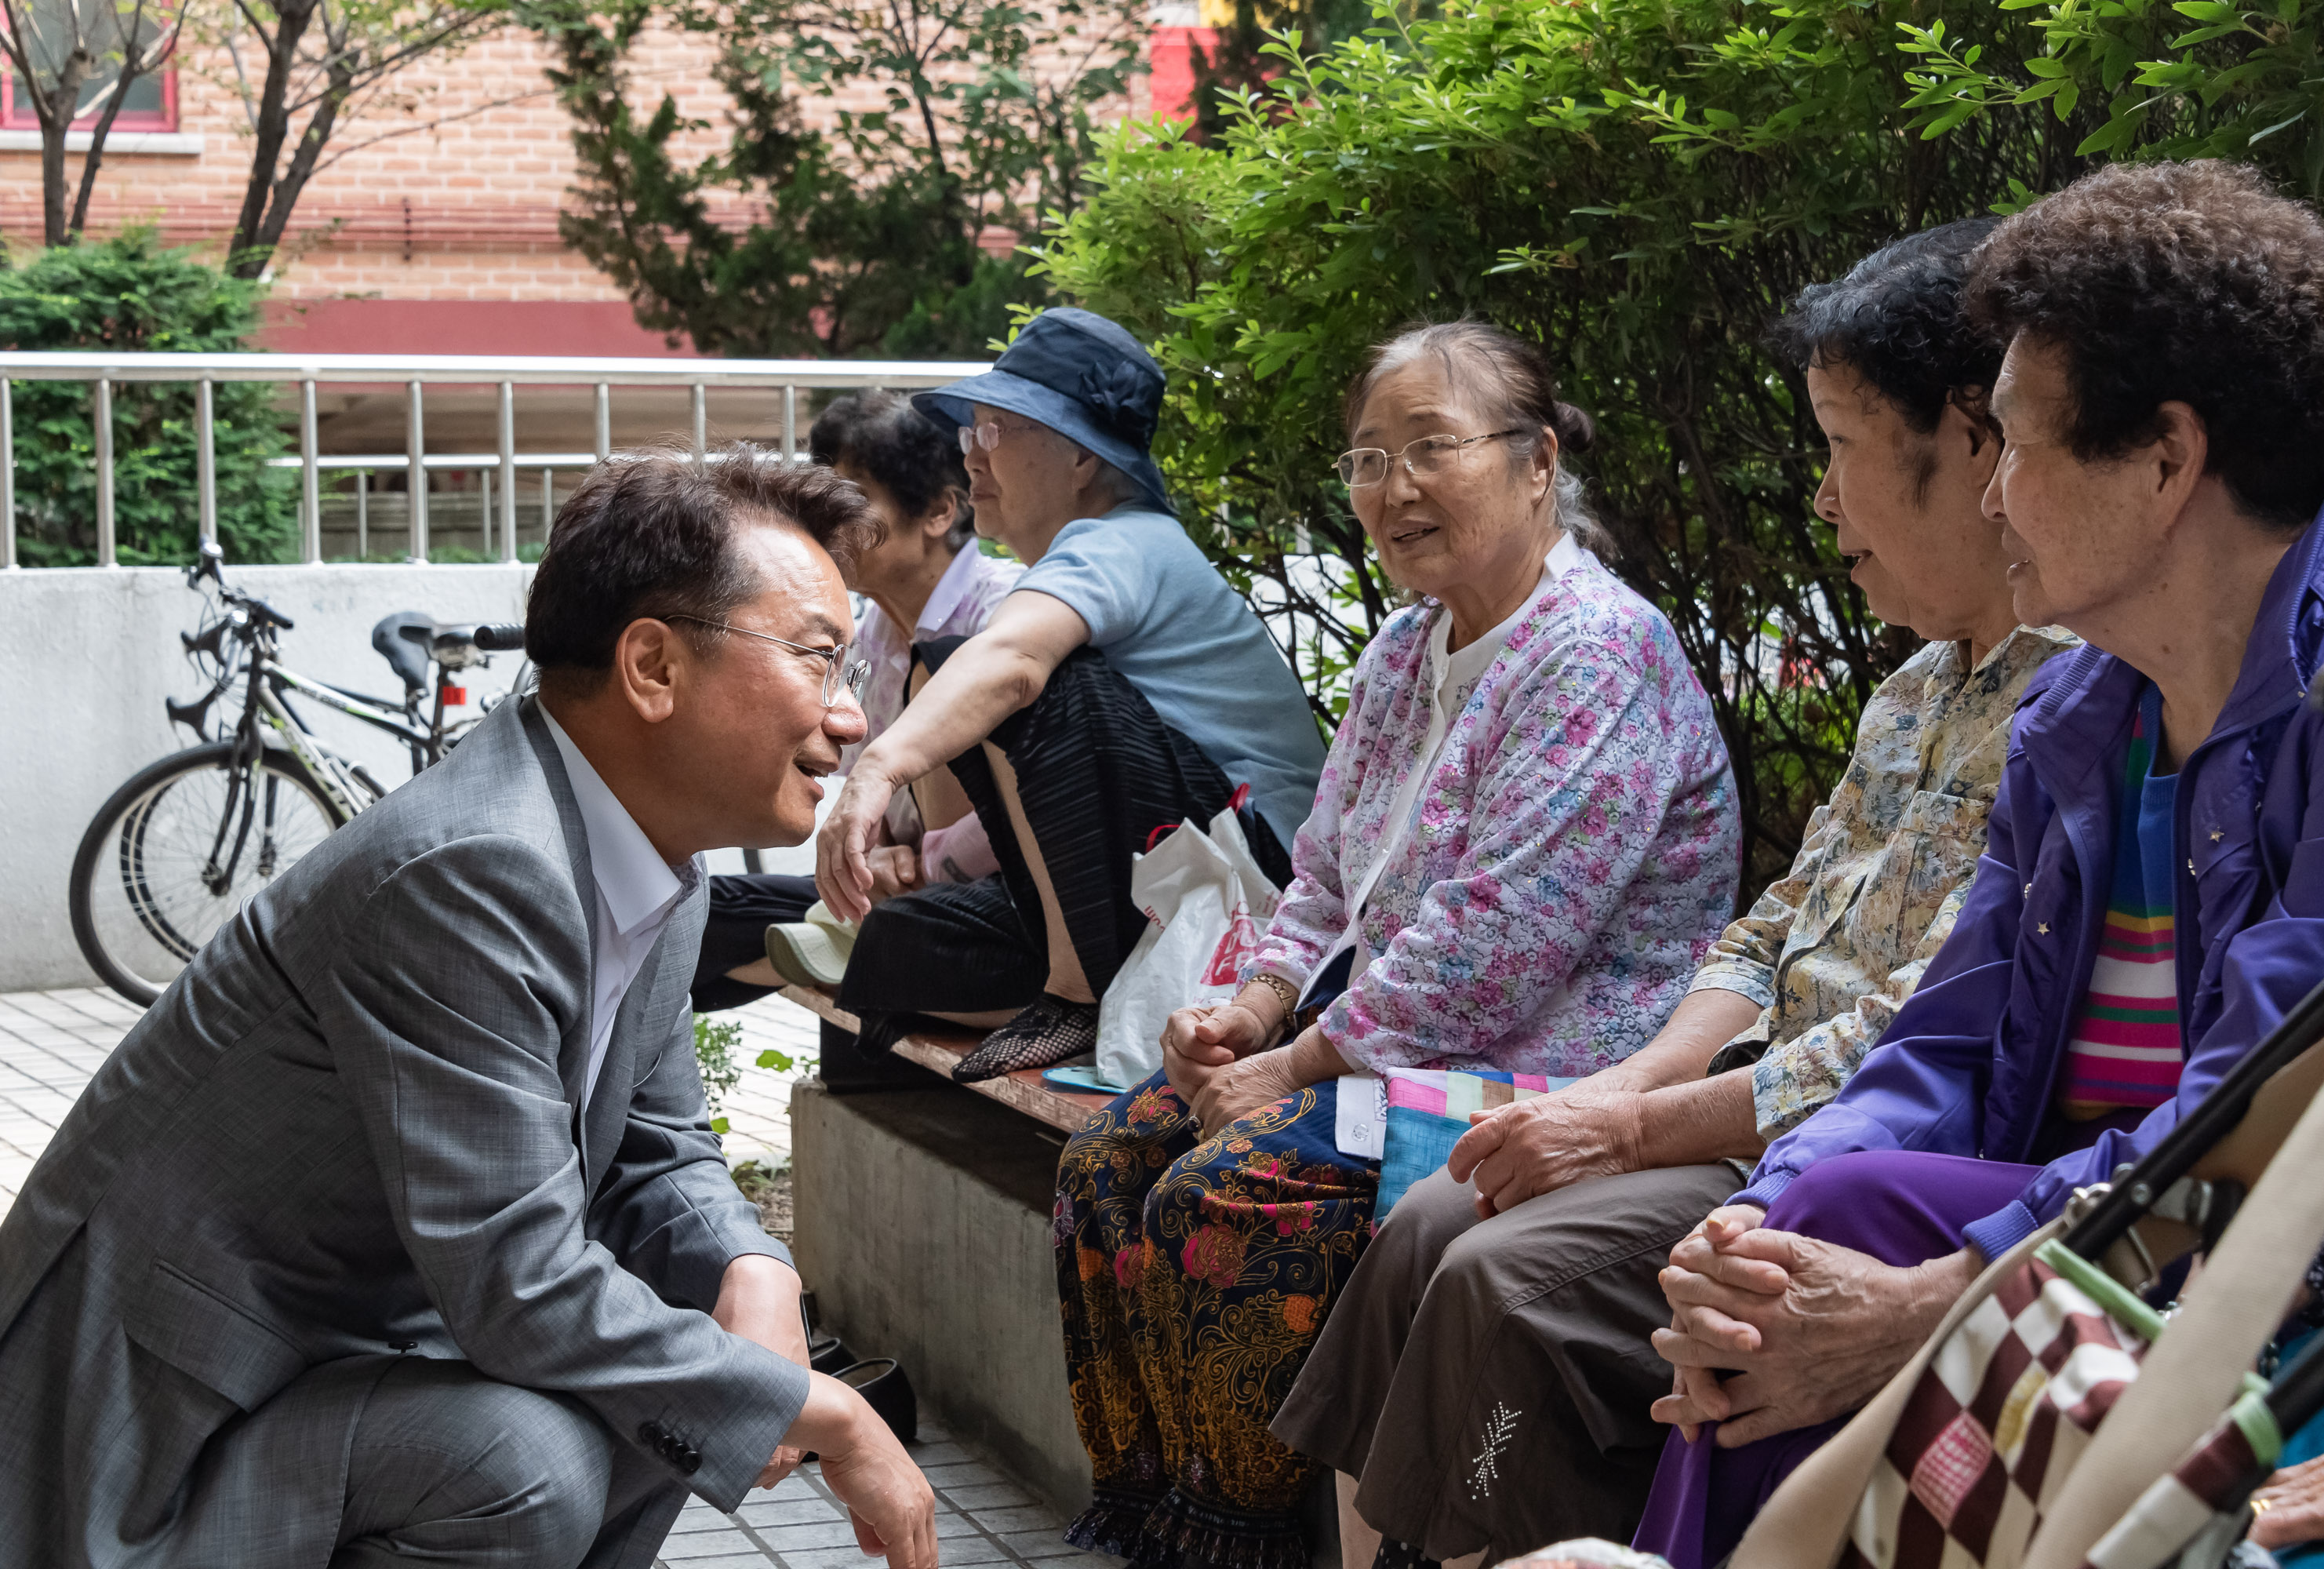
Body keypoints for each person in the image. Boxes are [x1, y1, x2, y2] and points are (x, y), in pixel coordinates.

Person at [1267, 224, 2075, 1569]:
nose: (1821, 503)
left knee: (1474, 1263)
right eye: (1370, 459)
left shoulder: (2067, 701)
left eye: (1836, 448)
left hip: (1828, 1148)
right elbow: (1767, 936)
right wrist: (1619, 1102)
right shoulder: (1918, 687)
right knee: (1422, 1226)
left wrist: (1622, 1123)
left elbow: (1915, 1026)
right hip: (1699, 1101)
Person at [0, 447, 938, 1569]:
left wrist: (758, 1275)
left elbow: (659, 1145)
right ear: (652, 665)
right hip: (168, 1427)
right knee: (527, 1461)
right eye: (819, 660)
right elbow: (518, 1280)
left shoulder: (656, 864)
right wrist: (829, 1412)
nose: (849, 720)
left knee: (679, 1413)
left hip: (344, 1354)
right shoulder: (475, 869)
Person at [1633, 159, 2324, 1569]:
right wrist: (1755, 1227)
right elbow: (1945, 1040)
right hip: (2095, 1234)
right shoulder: (2084, 716)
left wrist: (1949, 1298)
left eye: (2013, 443)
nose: (1993, 494)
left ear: (2165, 458)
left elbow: (2258, 1137)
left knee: (1833, 1254)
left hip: (2264, 1276)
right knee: (1791, 1252)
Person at [1053, 320, 1744, 1569]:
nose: (1394, 490)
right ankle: (1160, 1524)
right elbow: (1328, 875)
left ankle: (1245, 1542)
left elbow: (1496, 948)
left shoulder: (1596, 651)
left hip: (1546, 1072)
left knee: (1232, 1194)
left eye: (1431, 449)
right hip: (1389, 1052)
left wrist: (1295, 1067)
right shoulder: (1403, 648)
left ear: (1537, 463)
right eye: (1369, 461)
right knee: (1108, 1160)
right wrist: (1254, 1010)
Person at [813, 307, 1329, 1080]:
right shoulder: (1101, 546)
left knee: (1021, 676)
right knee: (895, 945)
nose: (971, 455)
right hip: (1174, 874)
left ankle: (1078, 995)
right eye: (972, 430)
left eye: (996, 428)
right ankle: (1088, 985)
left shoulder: (1119, 537)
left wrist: (876, 768)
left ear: (1081, 461)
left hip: (1257, 882)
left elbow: (1016, 660)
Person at [691, 391, 1024, 1014]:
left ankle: (829, 950)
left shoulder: (1007, 617)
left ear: (937, 511)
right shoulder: (868, 630)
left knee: (902, 932)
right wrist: (872, 863)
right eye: (825, 496)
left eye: (855, 496)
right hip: (894, 888)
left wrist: (920, 866)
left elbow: (1033, 805)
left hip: (993, 900)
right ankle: (828, 948)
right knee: (697, 913)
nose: (831, 520)